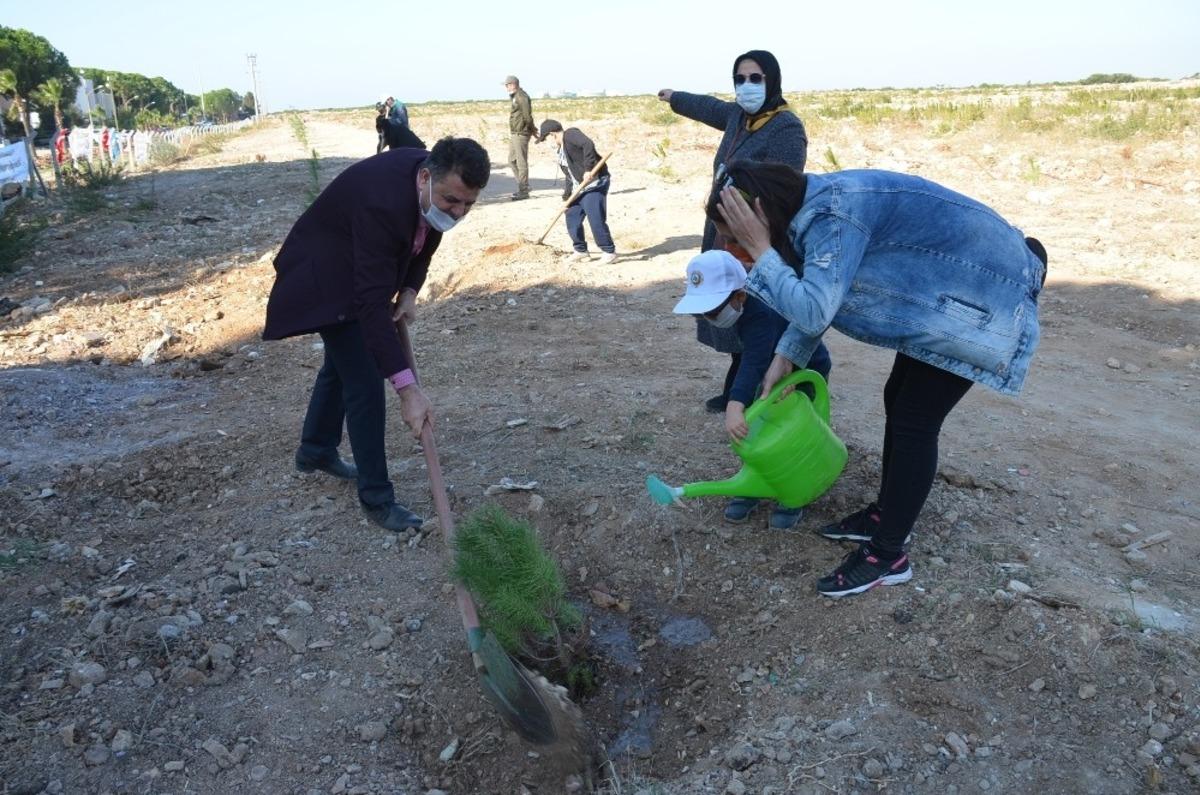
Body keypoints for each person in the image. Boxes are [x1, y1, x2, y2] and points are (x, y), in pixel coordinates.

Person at [710, 160, 1047, 598]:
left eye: (736, 234)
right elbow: (827, 288)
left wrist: (761, 249)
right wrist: (787, 355)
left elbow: (814, 307)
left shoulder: (830, 216)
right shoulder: (814, 211)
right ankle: (887, 514)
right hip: (942, 293)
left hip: (986, 292)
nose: (732, 245)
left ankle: (889, 555)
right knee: (899, 400)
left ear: (761, 213)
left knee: (914, 421)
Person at [263, 137, 491, 532]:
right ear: (425, 178)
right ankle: (377, 498)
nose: (458, 212)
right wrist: (407, 390)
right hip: (324, 277)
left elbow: (427, 235)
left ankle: (315, 449)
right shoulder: (381, 204)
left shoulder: (431, 187)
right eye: (452, 201)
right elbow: (369, 306)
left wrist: (410, 288)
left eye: (468, 205)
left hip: (356, 266)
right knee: (365, 380)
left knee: (341, 366)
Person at [658, 50, 809, 416]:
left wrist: (751, 228)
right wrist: (675, 98)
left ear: (771, 80)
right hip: (724, 230)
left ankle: (758, 391)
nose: (746, 86)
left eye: (755, 78)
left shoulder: (786, 128)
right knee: (729, 309)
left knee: (754, 312)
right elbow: (709, 108)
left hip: (756, 236)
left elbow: (783, 188)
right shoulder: (738, 118)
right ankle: (738, 385)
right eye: (740, 79)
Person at [672, 249, 832, 529]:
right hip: (772, 373)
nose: (709, 319)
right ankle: (756, 483)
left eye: (712, 311)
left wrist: (735, 403)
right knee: (759, 431)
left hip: (802, 371)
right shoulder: (744, 299)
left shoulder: (760, 312)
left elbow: (755, 360)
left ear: (739, 297)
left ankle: (794, 493)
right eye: (702, 314)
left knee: (791, 434)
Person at [535, 119, 616, 264]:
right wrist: (566, 198)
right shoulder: (560, 152)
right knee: (572, 216)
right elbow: (569, 177)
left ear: (552, 134)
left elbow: (588, 144)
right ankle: (581, 251)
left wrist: (588, 169)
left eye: (546, 138)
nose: (548, 143)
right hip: (579, 188)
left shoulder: (570, 134)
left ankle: (609, 251)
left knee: (595, 217)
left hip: (595, 184)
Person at [504, 75, 536, 200]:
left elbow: (527, 116)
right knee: (511, 161)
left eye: (507, 85)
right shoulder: (515, 97)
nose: (506, 88)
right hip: (515, 133)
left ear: (513, 84)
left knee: (521, 162)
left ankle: (523, 191)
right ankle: (524, 186)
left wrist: (532, 130)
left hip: (521, 133)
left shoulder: (522, 97)